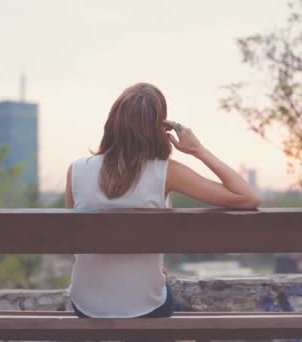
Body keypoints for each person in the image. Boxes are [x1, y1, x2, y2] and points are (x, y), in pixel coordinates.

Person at [65, 82, 261, 318]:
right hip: (145, 306)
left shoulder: (76, 171)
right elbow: (247, 198)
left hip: (87, 305)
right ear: (159, 127)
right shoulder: (167, 172)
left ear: (112, 122)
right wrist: (198, 149)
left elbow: (75, 245)